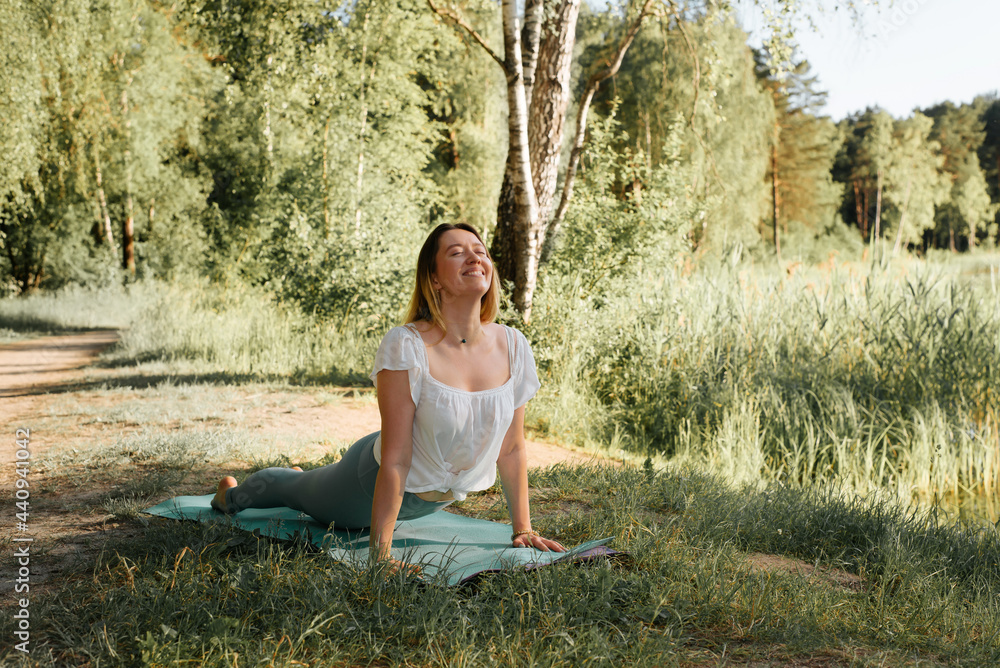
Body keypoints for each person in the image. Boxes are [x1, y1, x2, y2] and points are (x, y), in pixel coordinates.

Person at [211, 223, 566, 572]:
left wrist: (523, 529)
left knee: (303, 484)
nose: (474, 258)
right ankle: (230, 495)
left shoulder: (514, 346)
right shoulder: (406, 345)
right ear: (435, 279)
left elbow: (512, 448)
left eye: (480, 251)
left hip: (429, 500)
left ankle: (300, 478)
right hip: (364, 483)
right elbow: (396, 459)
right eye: (456, 253)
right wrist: (381, 554)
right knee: (293, 489)